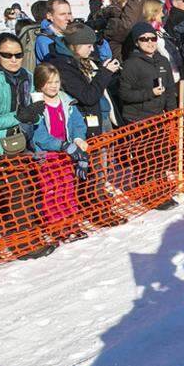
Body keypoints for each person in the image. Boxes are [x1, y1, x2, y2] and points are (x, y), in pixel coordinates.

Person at [30, 63, 89, 232]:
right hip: (47, 155)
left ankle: (71, 220)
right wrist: (61, 145)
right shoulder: (36, 104)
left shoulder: (65, 100)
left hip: (66, 152)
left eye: (56, 81)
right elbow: (39, 135)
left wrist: (78, 138)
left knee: (68, 186)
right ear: (40, 84)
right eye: (49, 82)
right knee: (51, 189)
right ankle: (57, 224)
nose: (54, 86)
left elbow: (77, 122)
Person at [49, 22, 119, 136]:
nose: (92, 50)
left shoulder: (81, 58)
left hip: (103, 116)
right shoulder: (63, 66)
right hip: (87, 123)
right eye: (89, 46)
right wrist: (106, 72)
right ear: (75, 45)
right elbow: (87, 97)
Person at [118, 22, 175, 124]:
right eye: (144, 39)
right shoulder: (130, 64)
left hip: (159, 117)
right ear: (136, 43)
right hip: (137, 119)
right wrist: (151, 93)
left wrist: (172, 115)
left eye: (153, 39)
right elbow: (124, 94)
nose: (150, 42)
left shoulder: (163, 61)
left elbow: (170, 91)